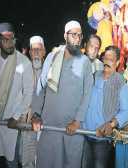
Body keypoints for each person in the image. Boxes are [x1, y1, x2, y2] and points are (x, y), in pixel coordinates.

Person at [31, 20, 93, 168]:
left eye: (80, 35)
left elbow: (87, 94)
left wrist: (77, 121)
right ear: (65, 36)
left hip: (71, 130)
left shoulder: (85, 62)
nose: (77, 38)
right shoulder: (52, 57)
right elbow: (41, 87)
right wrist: (35, 114)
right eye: (73, 35)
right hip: (50, 127)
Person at [0, 22, 34, 168]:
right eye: (5, 40)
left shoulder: (23, 62)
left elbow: (28, 93)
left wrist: (16, 117)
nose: (10, 43)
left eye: (12, 39)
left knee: (11, 162)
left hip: (10, 124)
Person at [82, 45, 128, 168]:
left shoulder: (120, 82)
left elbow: (125, 111)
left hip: (102, 139)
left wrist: (111, 124)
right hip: (85, 133)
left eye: (111, 59)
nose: (107, 61)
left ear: (118, 62)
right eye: (106, 58)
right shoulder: (95, 76)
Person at [20, 35, 46, 168]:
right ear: (29, 53)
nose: (36, 52)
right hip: (27, 123)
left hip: (46, 124)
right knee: (27, 160)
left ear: (44, 52)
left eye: (39, 49)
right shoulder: (22, 70)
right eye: (33, 50)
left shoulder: (51, 72)